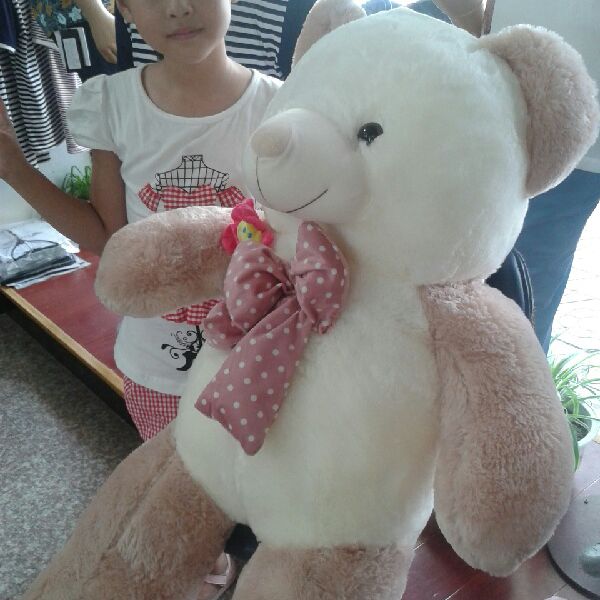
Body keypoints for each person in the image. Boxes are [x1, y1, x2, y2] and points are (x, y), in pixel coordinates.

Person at [0, 0, 282, 596]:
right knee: (181, 492)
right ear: (123, 8)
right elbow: (110, 240)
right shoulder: (113, 103)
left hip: (257, 360)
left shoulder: (279, 108)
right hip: (157, 367)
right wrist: (16, 170)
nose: (177, 8)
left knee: (261, 484)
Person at [435, 0, 600, 354]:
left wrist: (480, 31)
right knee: (518, 291)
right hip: (539, 103)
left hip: (536, 100)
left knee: (512, 292)